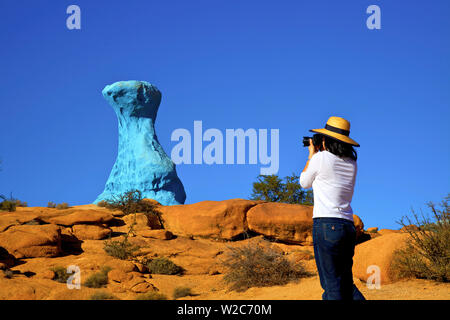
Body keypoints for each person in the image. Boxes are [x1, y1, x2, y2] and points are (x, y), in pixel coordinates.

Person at [299, 116, 365, 300]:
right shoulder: (352, 164)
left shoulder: (320, 158)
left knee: (332, 287)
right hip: (347, 226)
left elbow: (304, 182)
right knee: (346, 283)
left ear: (326, 139)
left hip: (326, 225)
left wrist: (312, 154)